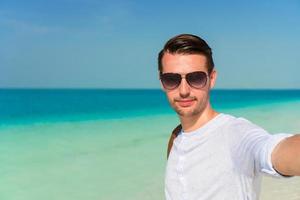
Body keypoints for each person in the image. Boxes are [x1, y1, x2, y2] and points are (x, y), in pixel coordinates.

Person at [158, 34, 300, 200]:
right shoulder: (176, 138)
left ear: (212, 79)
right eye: (171, 79)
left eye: (196, 78)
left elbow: (270, 150)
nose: (183, 90)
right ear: (162, 82)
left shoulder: (235, 133)